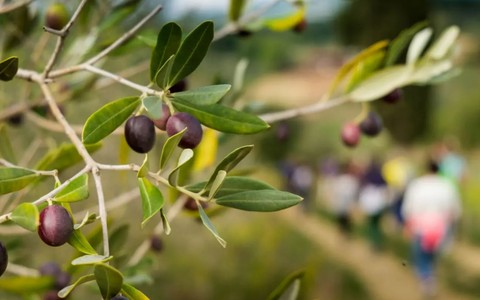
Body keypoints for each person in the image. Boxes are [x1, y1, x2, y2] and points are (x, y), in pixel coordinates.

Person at [402, 159, 462, 298]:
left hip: (420, 227)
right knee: (433, 255)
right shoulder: (447, 185)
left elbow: (408, 207)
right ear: (439, 170)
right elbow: (455, 209)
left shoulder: (417, 184)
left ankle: (426, 279)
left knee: (421, 255)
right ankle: (430, 277)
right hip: (441, 226)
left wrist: (408, 223)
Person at [358, 159, 389, 251]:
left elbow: (362, 186)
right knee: (376, 225)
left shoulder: (367, 175)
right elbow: (385, 187)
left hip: (370, 204)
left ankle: (374, 242)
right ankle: (376, 242)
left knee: (372, 225)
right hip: (379, 203)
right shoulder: (381, 175)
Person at [329, 160, 360, 236]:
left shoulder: (351, 180)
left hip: (346, 203)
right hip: (342, 202)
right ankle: (342, 232)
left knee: (346, 219)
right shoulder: (344, 179)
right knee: (342, 219)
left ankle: (344, 232)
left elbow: (354, 193)